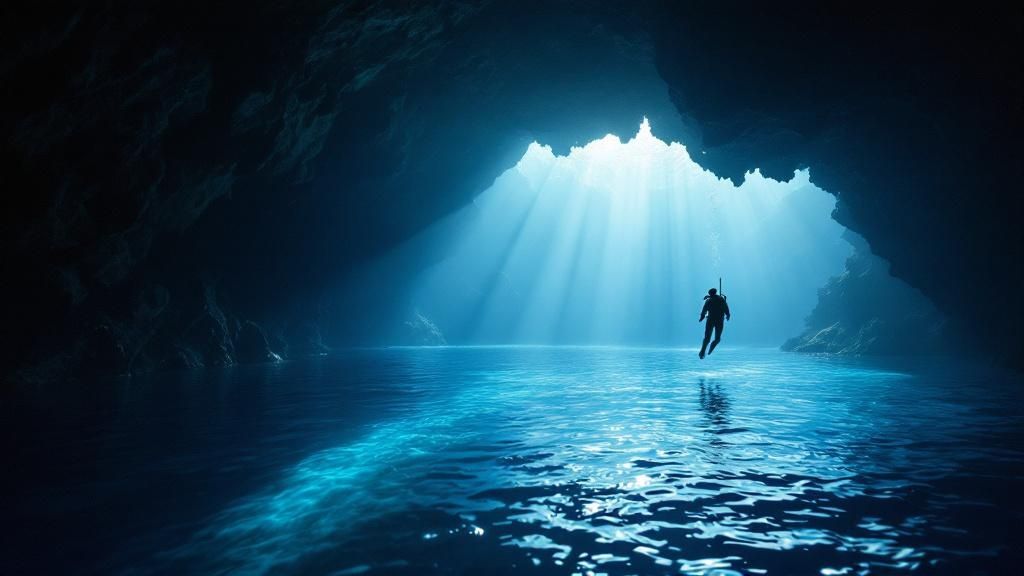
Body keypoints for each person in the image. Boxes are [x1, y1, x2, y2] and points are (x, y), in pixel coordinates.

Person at [698, 288, 730, 359]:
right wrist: (728, 314)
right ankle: (707, 350)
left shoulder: (709, 300)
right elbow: (726, 308)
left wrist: (702, 317)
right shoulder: (720, 299)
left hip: (711, 320)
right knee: (717, 338)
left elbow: (704, 310)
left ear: (710, 293)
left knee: (707, 338)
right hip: (719, 320)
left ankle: (703, 351)